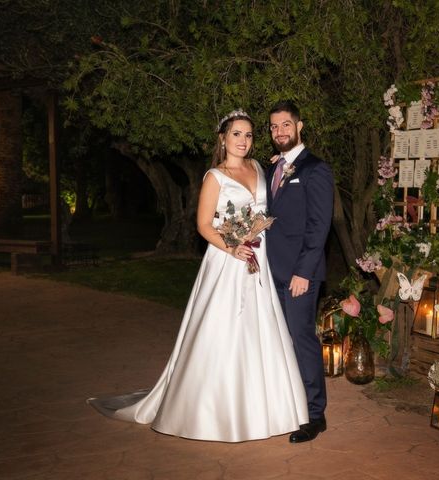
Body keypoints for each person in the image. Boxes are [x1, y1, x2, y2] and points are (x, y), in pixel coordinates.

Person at [88, 109, 309, 442]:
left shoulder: (259, 169)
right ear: (223, 138)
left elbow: (266, 212)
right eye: (237, 134)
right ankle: (214, 409)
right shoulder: (214, 177)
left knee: (261, 330)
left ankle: (269, 408)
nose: (243, 141)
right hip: (227, 260)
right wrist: (233, 246)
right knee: (224, 330)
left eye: (249, 135)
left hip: (258, 258)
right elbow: (204, 225)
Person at [265, 101, 334, 443]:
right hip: (269, 272)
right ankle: (286, 404)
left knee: (302, 339)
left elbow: (319, 225)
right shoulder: (272, 170)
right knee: (278, 342)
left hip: (299, 275)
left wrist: (304, 271)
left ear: (299, 126)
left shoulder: (314, 169)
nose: (280, 132)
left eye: (285, 125)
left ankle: (314, 415)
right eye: (274, 127)